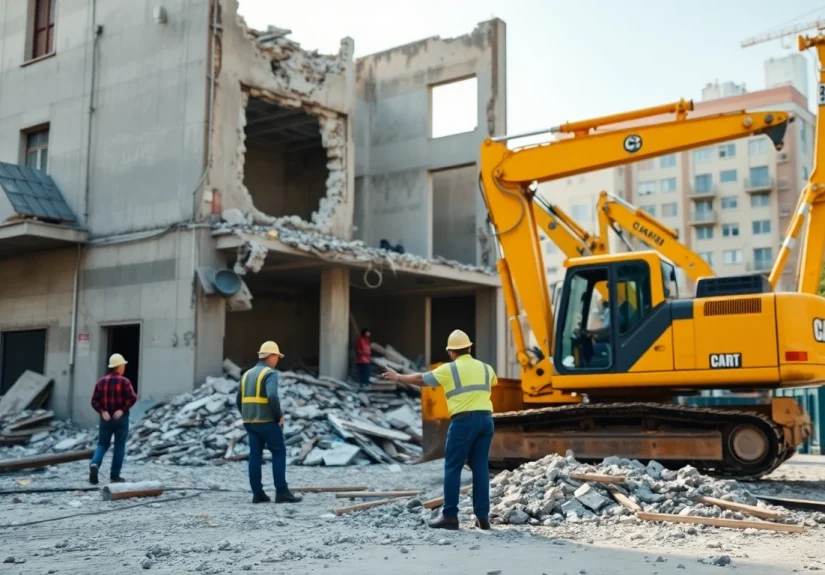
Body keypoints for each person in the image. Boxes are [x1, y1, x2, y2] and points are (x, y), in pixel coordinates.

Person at [383, 329, 495, 531]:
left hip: (463, 421)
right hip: (486, 420)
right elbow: (491, 384)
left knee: (453, 467)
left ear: (451, 352)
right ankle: (483, 517)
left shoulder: (449, 369)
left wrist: (399, 376)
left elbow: (421, 379)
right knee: (480, 468)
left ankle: (450, 516)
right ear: (470, 347)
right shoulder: (487, 368)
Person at [236, 341, 302, 504]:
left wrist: (246, 415)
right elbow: (272, 396)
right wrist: (278, 415)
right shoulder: (269, 374)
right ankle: (282, 492)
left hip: (250, 422)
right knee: (279, 452)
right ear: (271, 356)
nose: (277, 360)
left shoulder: (247, 374)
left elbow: (238, 399)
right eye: (277, 357)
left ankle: (258, 494)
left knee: (255, 456)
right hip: (266, 421)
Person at [89, 353, 137, 485]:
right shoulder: (125, 382)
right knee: (119, 446)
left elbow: (94, 401)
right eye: (123, 366)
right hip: (120, 419)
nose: (124, 368)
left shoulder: (101, 382)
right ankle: (114, 476)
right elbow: (132, 398)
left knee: (102, 444)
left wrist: (102, 411)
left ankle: (94, 464)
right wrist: (122, 409)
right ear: (120, 366)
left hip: (106, 419)